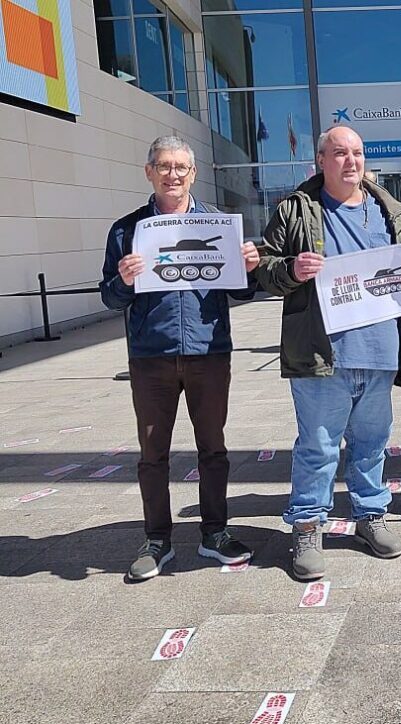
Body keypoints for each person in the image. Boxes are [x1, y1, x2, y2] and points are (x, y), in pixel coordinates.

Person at [256, 125, 401, 580]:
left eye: (356, 152)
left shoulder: (389, 209)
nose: (350, 161)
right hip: (322, 353)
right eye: (339, 153)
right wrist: (292, 269)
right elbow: (265, 269)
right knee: (317, 447)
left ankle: (370, 516)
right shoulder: (296, 209)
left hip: (379, 350)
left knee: (372, 444)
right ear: (321, 160)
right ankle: (308, 527)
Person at [99, 136, 259, 581]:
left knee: (214, 448)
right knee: (153, 454)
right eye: (164, 166)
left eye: (181, 168)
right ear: (149, 171)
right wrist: (125, 280)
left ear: (193, 174)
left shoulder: (218, 224)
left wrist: (248, 269)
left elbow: (241, 291)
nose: (173, 174)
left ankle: (214, 533)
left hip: (209, 352)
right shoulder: (126, 229)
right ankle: (157, 540)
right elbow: (110, 297)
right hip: (151, 356)